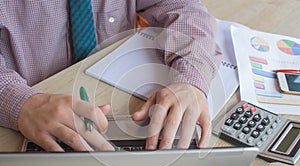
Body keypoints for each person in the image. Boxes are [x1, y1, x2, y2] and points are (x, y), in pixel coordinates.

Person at [0, 0, 222, 151]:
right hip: (27, 124)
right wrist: (21, 103)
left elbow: (180, 5)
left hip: (116, 105)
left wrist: (191, 79)